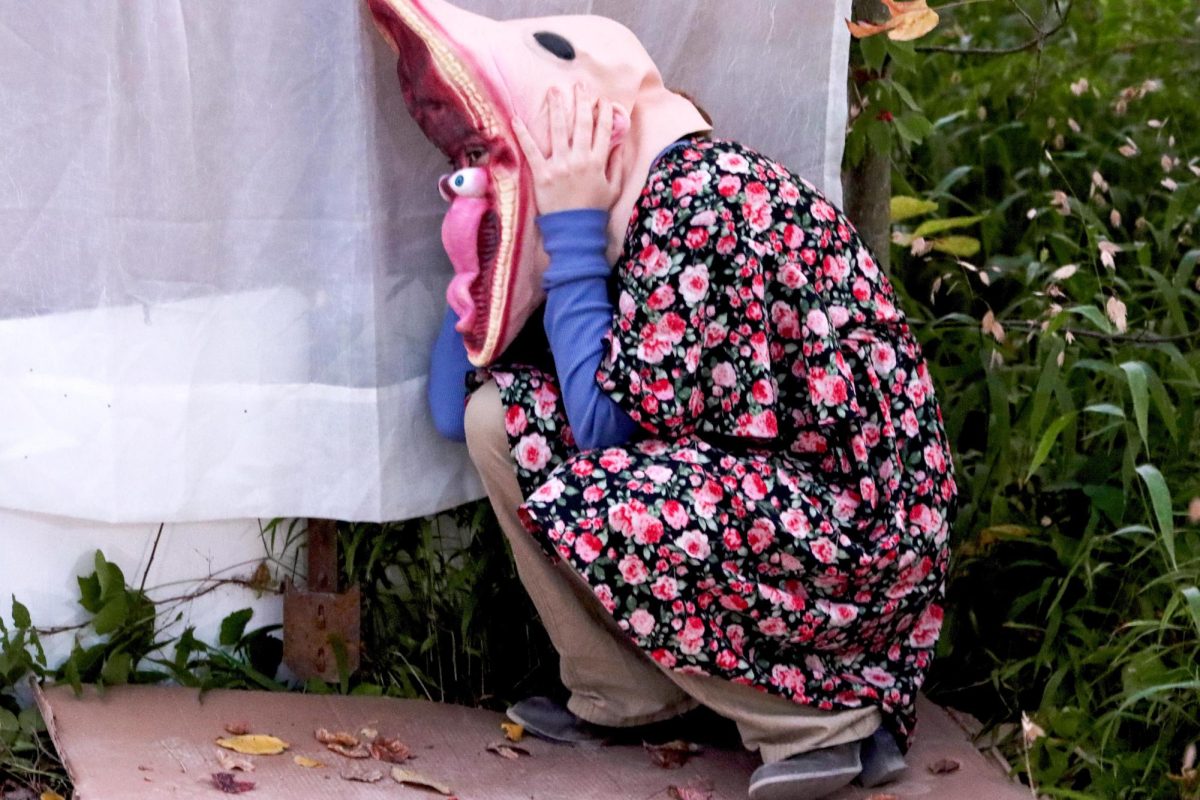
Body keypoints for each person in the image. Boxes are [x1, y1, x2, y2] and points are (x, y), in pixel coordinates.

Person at [370, 2, 958, 796]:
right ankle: (630, 693)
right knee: (497, 419)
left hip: (854, 548)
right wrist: (485, 233)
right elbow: (453, 406)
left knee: (606, 489)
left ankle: (823, 720)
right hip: (799, 520)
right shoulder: (642, 217)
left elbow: (610, 440)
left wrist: (572, 224)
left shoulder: (700, 199)